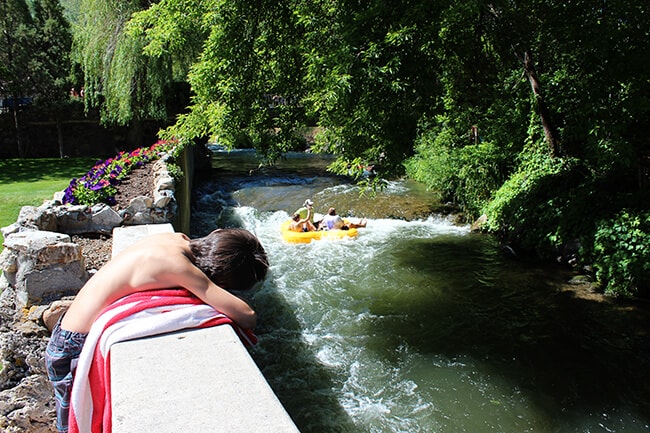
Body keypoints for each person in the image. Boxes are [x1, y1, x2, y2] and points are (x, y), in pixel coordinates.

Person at [45, 228, 268, 433]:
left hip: (67, 333)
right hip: (73, 347)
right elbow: (247, 316)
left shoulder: (177, 239)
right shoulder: (178, 266)